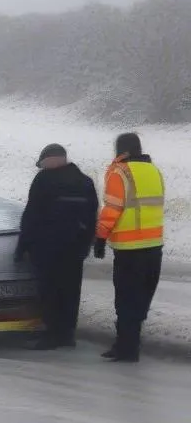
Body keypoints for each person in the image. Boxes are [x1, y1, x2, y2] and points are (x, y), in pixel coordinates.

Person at [14, 143, 98, 350]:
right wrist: (86, 244)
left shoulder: (43, 180)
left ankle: (52, 334)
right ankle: (67, 334)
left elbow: (31, 215)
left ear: (47, 161)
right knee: (70, 291)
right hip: (74, 249)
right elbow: (91, 216)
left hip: (47, 249)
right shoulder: (84, 181)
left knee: (50, 291)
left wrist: (22, 246)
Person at [93, 132, 164, 363]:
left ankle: (126, 348)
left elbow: (112, 209)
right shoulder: (154, 171)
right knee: (142, 299)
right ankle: (130, 343)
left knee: (125, 299)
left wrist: (101, 238)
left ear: (122, 150)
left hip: (129, 249)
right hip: (154, 246)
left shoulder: (120, 172)